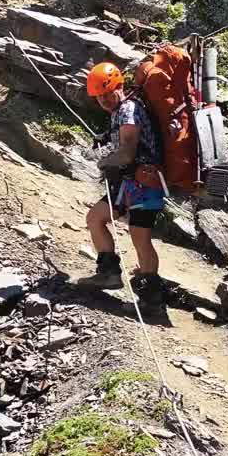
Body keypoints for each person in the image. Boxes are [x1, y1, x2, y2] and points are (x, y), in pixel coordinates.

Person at [77, 61, 167, 311]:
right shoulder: (120, 112)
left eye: (108, 92)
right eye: (99, 96)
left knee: (140, 239)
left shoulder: (128, 109)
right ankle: (110, 273)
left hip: (144, 184)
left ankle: (152, 301)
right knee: (96, 218)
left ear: (119, 85)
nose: (104, 99)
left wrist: (104, 162)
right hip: (130, 186)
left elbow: (127, 152)